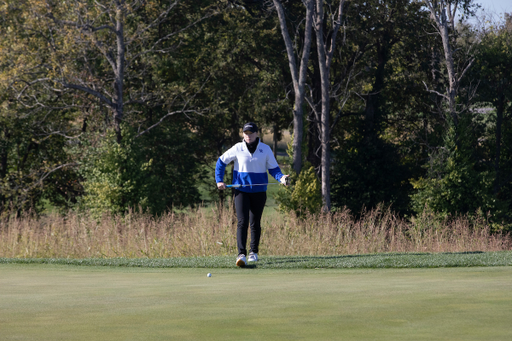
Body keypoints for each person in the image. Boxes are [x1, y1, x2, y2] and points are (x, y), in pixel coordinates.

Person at [215, 122, 289, 267]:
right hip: (241, 191)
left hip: (259, 192)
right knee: (242, 222)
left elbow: (274, 169)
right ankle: (241, 254)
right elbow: (221, 162)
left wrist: (282, 178)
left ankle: (253, 252)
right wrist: (219, 180)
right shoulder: (237, 148)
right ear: (243, 134)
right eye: (246, 133)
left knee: (255, 223)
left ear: (257, 134)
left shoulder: (265, 149)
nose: (248, 136)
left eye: (251, 133)